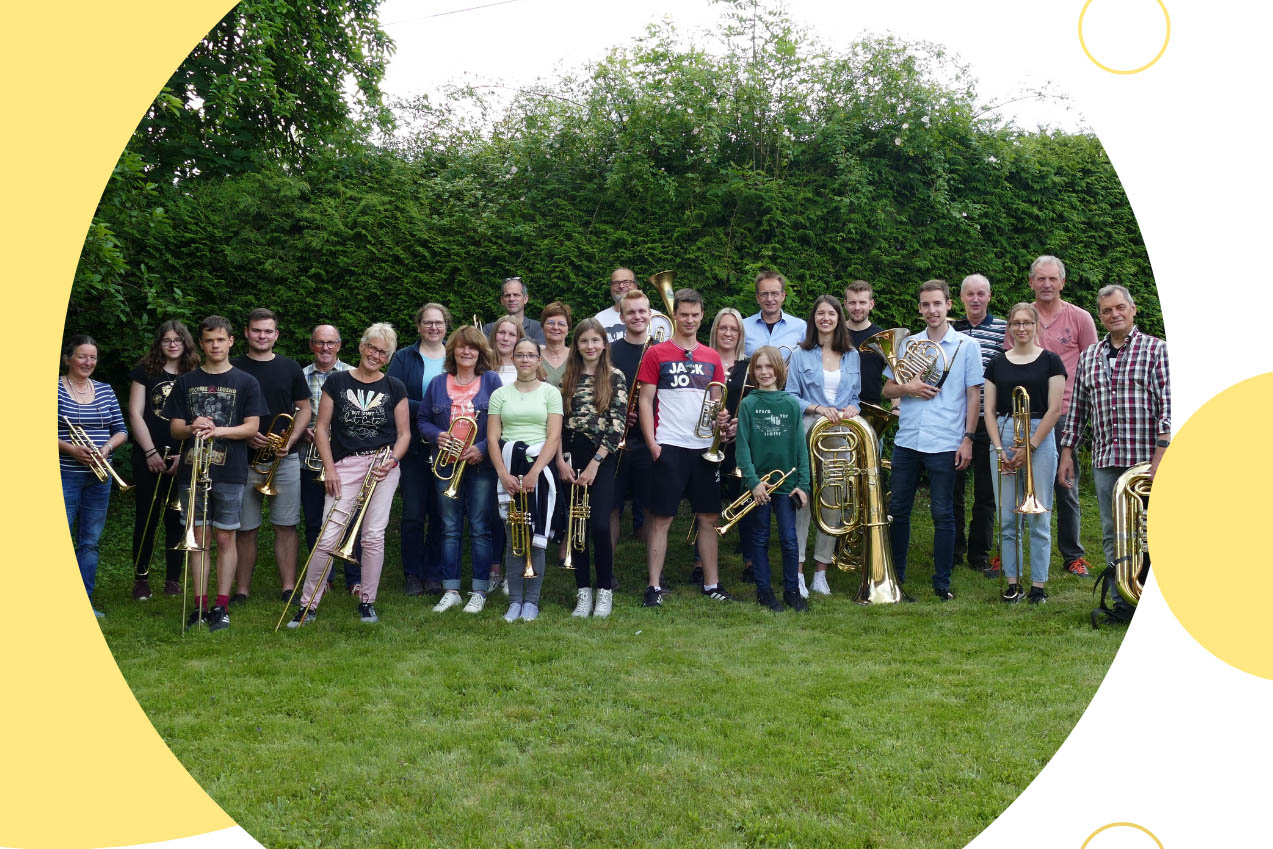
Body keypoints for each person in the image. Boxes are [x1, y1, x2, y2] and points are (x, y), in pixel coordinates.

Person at [1057, 285, 1170, 622]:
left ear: (1133, 310)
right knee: (1114, 531)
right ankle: (1125, 599)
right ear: (1101, 316)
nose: (1114, 314)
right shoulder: (1089, 356)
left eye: (1120, 307)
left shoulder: (1156, 350)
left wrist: (1163, 454)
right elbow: (1076, 411)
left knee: (1155, 531)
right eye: (1107, 311)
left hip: (1148, 459)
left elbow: (1169, 404)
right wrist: (1066, 453)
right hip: (1107, 460)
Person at [289, 323, 411, 626]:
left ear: (388, 357)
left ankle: (367, 601)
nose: (375, 354)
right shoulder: (337, 382)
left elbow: (405, 434)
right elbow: (321, 428)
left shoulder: (395, 387)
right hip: (344, 466)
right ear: (361, 346)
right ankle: (308, 604)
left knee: (372, 536)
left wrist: (393, 460)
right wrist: (329, 468)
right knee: (327, 536)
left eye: (383, 352)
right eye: (371, 347)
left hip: (383, 466)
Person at [881, 281, 984, 601]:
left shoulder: (966, 346)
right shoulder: (908, 344)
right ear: (919, 308)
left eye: (937, 304)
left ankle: (942, 582)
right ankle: (895, 576)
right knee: (898, 508)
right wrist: (907, 388)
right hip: (908, 438)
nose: (931, 310)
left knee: (943, 512)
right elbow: (887, 390)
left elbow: (973, 395)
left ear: (949, 305)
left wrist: (967, 439)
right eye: (925, 305)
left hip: (945, 440)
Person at [164, 316, 268, 631]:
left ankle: (221, 606)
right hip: (192, 471)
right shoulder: (186, 381)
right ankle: (199, 605)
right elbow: (174, 428)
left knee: (226, 536)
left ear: (231, 341)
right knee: (199, 539)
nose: (215, 345)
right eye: (209, 340)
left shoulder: (246, 381)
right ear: (202, 342)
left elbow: (252, 427)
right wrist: (193, 426)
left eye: (221, 340)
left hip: (231, 470)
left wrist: (216, 428)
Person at [637, 287, 730, 606]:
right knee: (661, 518)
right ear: (674, 315)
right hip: (670, 445)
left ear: (702, 317)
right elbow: (645, 400)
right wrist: (652, 443)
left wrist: (722, 418)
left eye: (695, 315)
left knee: (709, 518)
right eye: (683, 314)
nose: (689, 320)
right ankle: (653, 586)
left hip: (705, 448)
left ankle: (711, 583)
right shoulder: (656, 353)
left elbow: (717, 402)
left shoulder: (712, 356)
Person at [1015, 256, 1098, 579]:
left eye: (1053, 279)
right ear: (1031, 282)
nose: (1047, 284)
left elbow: (1091, 366)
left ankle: (1073, 555)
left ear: (1063, 282)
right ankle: (1013, 551)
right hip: (1028, 414)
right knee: (1022, 485)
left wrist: (1085, 411)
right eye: (1041, 279)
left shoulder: (1080, 318)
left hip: (1064, 414)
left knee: (1066, 485)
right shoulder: (1023, 318)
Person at [983, 303, 1065, 604]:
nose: (1021, 328)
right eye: (1015, 323)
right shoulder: (996, 363)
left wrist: (1028, 447)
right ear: (1009, 328)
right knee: (1007, 516)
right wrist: (1000, 447)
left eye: (1027, 323)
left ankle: (1039, 586)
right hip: (1004, 433)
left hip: (1039, 436)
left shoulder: (1052, 361)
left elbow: (1055, 409)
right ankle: (1012, 582)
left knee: (1039, 515)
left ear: (1035, 325)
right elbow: (989, 411)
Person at [418, 326, 503, 614]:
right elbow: (423, 419)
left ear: (480, 352)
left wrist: (480, 448)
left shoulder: (491, 380)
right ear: (452, 350)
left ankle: (478, 590)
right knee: (449, 528)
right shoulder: (439, 383)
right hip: (446, 464)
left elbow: (502, 420)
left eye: (473, 347)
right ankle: (450, 588)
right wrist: (436, 436)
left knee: (480, 528)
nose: (466, 352)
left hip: (480, 465)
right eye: (461, 347)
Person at [230, 308, 312, 603]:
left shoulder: (290, 367)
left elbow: (304, 408)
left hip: (283, 458)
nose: (262, 336)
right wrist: (244, 432)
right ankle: (241, 590)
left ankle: (288, 587)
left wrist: (292, 438)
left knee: (286, 525)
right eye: (257, 330)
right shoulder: (233, 367)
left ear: (276, 335)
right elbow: (225, 413)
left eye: (268, 331)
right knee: (245, 528)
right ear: (246, 333)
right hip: (243, 457)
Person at [785, 295, 861, 596]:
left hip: (841, 436)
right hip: (807, 433)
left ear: (838, 318)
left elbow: (855, 396)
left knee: (832, 502)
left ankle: (820, 572)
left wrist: (853, 408)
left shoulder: (852, 354)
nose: (825, 318)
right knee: (803, 502)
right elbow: (790, 395)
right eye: (820, 313)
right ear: (813, 319)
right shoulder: (800, 354)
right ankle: (799, 571)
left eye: (831, 313)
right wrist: (817, 408)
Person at [488, 338, 563, 621]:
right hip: (508, 467)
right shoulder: (501, 394)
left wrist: (533, 473)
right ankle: (515, 602)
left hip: (538, 470)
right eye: (520, 355)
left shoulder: (550, 393)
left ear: (538, 360)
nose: (525, 360)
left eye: (531, 355)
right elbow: (493, 438)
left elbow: (554, 436)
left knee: (536, 538)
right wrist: (502, 474)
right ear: (514, 359)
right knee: (513, 536)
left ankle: (531, 601)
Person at [556, 318, 627, 618]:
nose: (590, 346)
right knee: (577, 528)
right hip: (571, 457)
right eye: (584, 341)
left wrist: (596, 463)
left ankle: (605, 591)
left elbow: (618, 425)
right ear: (577, 345)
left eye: (595, 341)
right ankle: (583, 592)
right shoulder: (567, 378)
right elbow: (556, 423)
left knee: (599, 524)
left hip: (602, 457)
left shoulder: (614, 376)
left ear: (604, 344)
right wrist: (560, 460)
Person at [735, 346, 811, 612]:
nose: (764, 372)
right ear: (753, 372)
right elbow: (742, 447)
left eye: (769, 367)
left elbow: (801, 447)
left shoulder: (790, 403)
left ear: (779, 370)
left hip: (787, 486)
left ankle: (792, 591)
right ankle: (764, 591)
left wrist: (803, 485)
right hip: (760, 486)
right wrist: (753, 482)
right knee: (760, 538)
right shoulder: (748, 404)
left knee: (790, 539)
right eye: (759, 367)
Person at [127, 320, 199, 601]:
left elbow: (199, 418)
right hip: (149, 456)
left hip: (183, 456)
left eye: (178, 339)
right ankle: (141, 580)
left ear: (186, 343)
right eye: (167, 339)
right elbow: (135, 413)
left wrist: (186, 454)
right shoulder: (145, 372)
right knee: (146, 518)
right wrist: (149, 452)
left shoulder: (195, 374)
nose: (172, 344)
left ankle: (172, 579)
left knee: (177, 519)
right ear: (159, 343)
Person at [57, 335, 128, 618]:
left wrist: (107, 447)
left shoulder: (105, 389)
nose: (88, 362)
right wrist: (71, 449)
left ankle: (83, 601)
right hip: (65, 473)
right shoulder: (52, 389)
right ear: (68, 359)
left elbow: (121, 429)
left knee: (90, 540)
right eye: (82, 356)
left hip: (100, 476)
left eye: (93, 358)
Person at [686, 307, 753, 585]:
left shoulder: (749, 366)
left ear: (740, 334)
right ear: (715, 331)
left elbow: (756, 403)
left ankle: (750, 560)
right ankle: (700, 561)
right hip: (706, 441)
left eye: (733, 329)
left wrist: (740, 425)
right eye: (723, 328)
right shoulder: (702, 360)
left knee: (746, 499)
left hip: (740, 443)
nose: (728, 333)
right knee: (705, 501)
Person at [387, 304, 449, 596]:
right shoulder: (403, 357)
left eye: (438, 323)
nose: (433, 328)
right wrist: (429, 409)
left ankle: (434, 573)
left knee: (440, 513)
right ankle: (412, 574)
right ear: (419, 326)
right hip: (412, 446)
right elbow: (392, 396)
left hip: (447, 447)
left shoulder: (456, 354)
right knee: (412, 513)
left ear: (446, 326)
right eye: (428, 322)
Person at [953, 274, 1008, 575]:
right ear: (962, 298)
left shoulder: (1003, 330)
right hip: (956, 420)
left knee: (986, 493)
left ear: (989, 296)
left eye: (981, 294)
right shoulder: (950, 329)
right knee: (953, 491)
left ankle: (979, 553)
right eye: (970, 294)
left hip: (990, 420)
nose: (975, 299)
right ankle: (954, 550)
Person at [299, 324, 359, 594]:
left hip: (346, 458)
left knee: (348, 518)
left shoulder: (353, 375)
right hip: (309, 458)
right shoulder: (299, 376)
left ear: (340, 345)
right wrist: (303, 430)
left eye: (331, 343)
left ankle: (354, 578)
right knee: (314, 521)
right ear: (312, 345)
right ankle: (324, 577)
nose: (325, 348)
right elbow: (294, 414)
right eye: (319, 342)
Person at [609, 289, 658, 554]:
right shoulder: (610, 351)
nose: (637, 316)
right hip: (617, 440)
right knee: (612, 506)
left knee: (652, 506)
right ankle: (609, 573)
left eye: (642, 311)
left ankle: (656, 573)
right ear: (622, 315)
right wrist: (618, 414)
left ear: (650, 314)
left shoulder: (661, 351)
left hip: (653, 440)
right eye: (631, 312)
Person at [595, 267, 672, 343]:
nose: (621, 286)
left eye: (626, 282)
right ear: (611, 288)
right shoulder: (599, 319)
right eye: (616, 283)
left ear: (636, 286)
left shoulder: (658, 318)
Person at [843, 280, 886, 407]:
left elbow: (894, 376)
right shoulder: (834, 333)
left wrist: (895, 407)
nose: (857, 308)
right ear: (845, 304)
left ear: (871, 304)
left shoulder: (883, 337)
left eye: (862, 302)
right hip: (837, 409)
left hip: (871, 411)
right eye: (852, 302)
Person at [742, 270, 806, 356]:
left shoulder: (800, 327)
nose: (769, 299)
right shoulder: (743, 326)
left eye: (774, 294)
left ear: (783, 296)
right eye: (764, 294)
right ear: (757, 298)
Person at [483, 276, 546, 345]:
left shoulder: (538, 328)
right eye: (507, 295)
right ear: (502, 300)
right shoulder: (490, 329)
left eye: (516, 295)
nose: (511, 299)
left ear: (525, 299)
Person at [539, 302, 572, 387]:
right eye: (550, 323)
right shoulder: (534, 357)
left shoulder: (576, 357)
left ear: (568, 330)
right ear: (542, 327)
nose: (555, 327)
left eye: (561, 324)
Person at [488, 315, 524, 386]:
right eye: (501, 332)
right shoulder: (483, 364)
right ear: (494, 335)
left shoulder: (527, 366)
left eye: (512, 335)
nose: (505, 338)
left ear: (519, 339)